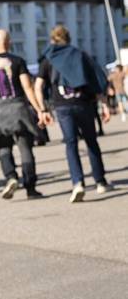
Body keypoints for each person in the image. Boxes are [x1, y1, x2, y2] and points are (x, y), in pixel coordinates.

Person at [34, 25, 115, 202]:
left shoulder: (48, 59)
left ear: (52, 39)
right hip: (83, 104)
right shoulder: (79, 55)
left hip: (62, 106)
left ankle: (77, 183)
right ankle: (100, 181)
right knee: (91, 142)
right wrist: (105, 105)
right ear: (68, 38)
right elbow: (95, 80)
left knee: (71, 144)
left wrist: (42, 109)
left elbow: (38, 86)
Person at [0, 30, 45, 201]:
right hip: (18, 107)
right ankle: (30, 187)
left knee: (3, 147)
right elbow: (28, 87)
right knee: (25, 148)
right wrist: (39, 109)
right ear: (9, 42)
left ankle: (11, 177)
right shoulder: (17, 61)